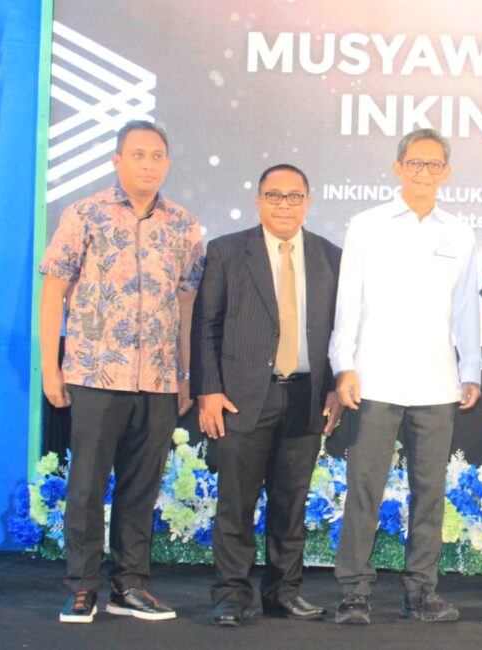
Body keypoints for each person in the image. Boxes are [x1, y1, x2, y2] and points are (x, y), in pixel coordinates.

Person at [40, 120, 204, 623]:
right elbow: (54, 290)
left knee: (141, 486)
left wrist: (185, 373)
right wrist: (51, 367)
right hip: (94, 375)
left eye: (157, 155)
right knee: (86, 485)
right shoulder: (83, 214)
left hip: (157, 378)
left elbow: (187, 303)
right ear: (117, 160)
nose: (148, 164)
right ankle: (82, 586)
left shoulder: (184, 225)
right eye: (137, 154)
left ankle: (130, 585)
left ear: (167, 163)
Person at [329, 128, 482, 625]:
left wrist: (471, 367)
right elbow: (348, 300)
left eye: (434, 164)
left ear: (447, 173)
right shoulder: (367, 225)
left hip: (437, 381)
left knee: (430, 492)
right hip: (374, 378)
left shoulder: (459, 233)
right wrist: (343, 365)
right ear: (398, 168)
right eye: (415, 163)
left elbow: (466, 308)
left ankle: (421, 592)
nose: (424, 172)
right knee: (365, 488)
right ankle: (355, 590)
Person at [190, 164, 343, 627]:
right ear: (258, 200)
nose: (284, 205)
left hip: (306, 396)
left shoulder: (330, 256)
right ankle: (231, 596)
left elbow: (340, 332)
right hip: (242, 397)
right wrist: (208, 390)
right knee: (235, 504)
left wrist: (336, 387)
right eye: (274, 196)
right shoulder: (227, 251)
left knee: (290, 504)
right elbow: (206, 325)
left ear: (308, 202)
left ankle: (283, 592)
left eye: (294, 196)